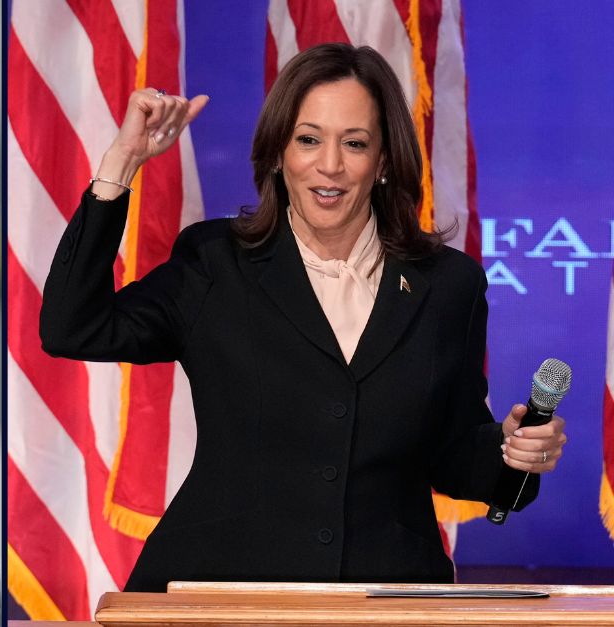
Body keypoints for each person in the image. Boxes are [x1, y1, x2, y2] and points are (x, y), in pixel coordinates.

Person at [39, 43, 567, 592]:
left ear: (383, 160)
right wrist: (120, 165)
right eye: (308, 139)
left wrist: (512, 450)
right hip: (220, 592)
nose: (330, 165)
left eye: (355, 143)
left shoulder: (448, 284)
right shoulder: (214, 263)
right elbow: (72, 327)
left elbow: (455, 455)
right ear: (277, 153)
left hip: (385, 597)